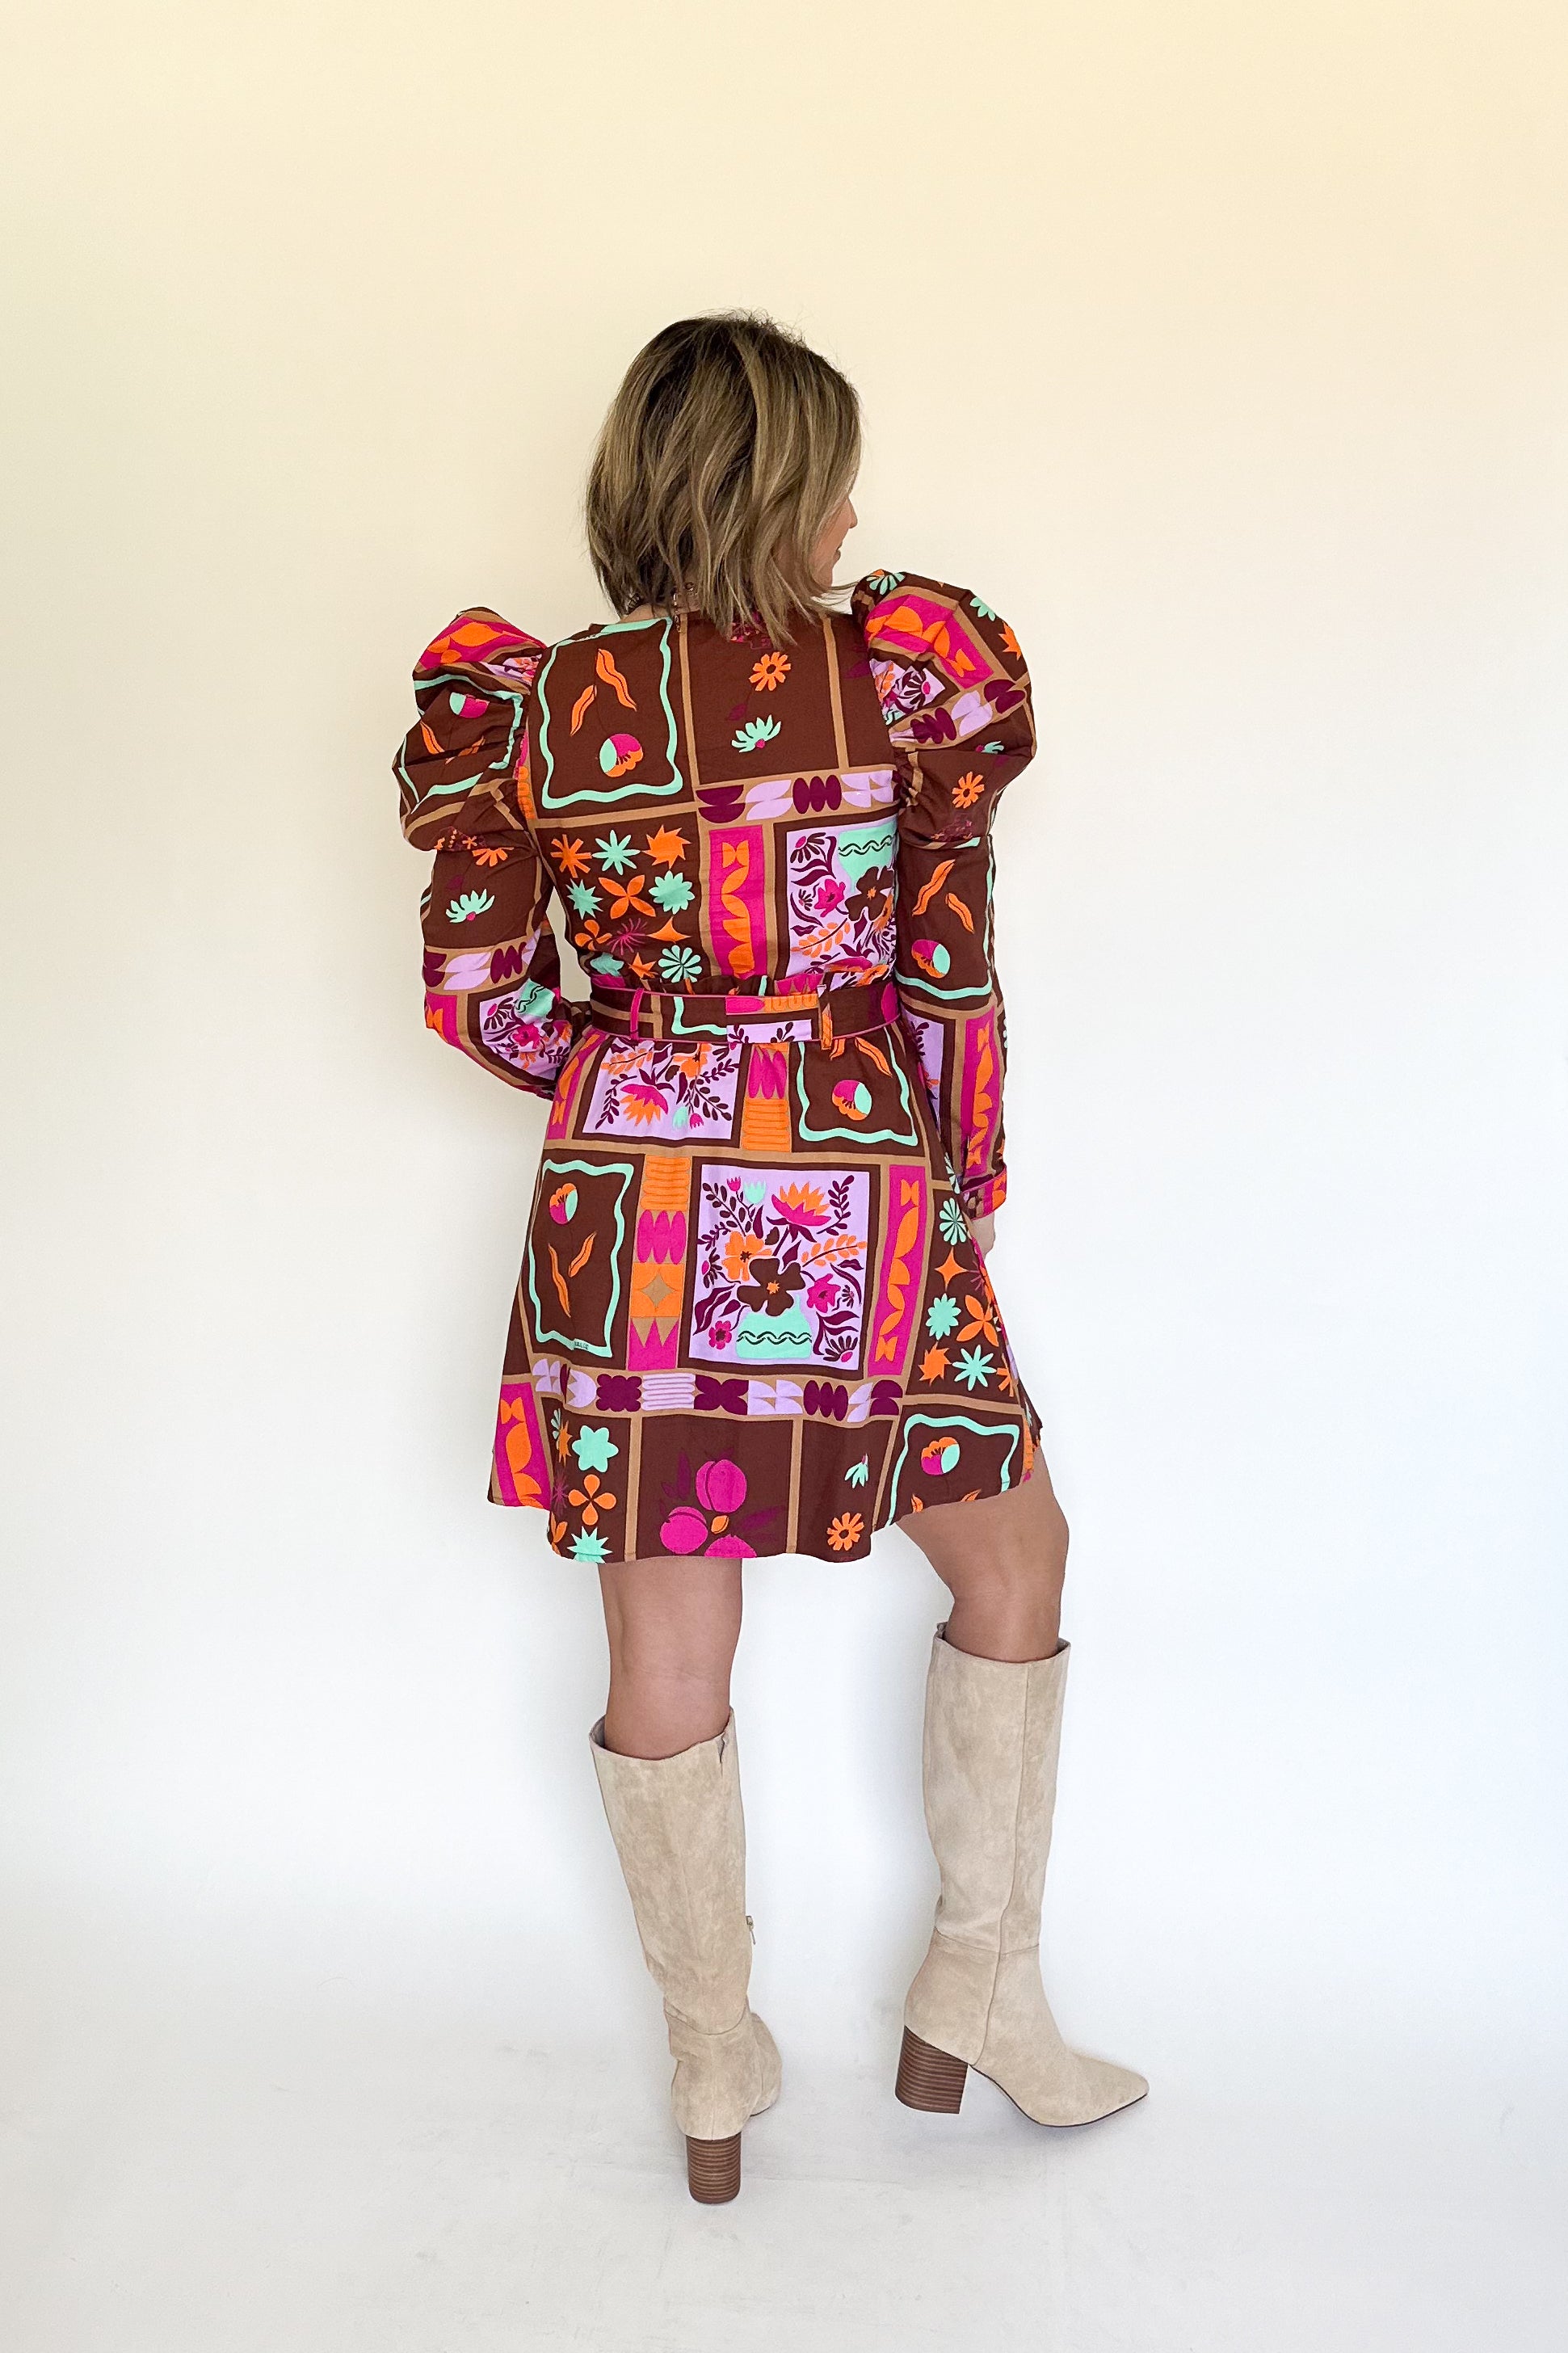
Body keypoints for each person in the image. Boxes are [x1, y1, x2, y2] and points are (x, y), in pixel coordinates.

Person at [394, 312, 1145, 2204]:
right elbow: (943, 960)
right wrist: (962, 1168)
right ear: (785, 488)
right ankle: (980, 1984)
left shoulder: (531, 707)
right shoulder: (895, 681)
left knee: (666, 1635)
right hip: (854, 1191)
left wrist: (642, 1078)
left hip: (630, 1209)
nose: (851, 519)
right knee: (1012, 1550)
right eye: (832, 481)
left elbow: (477, 994)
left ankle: (712, 2066)